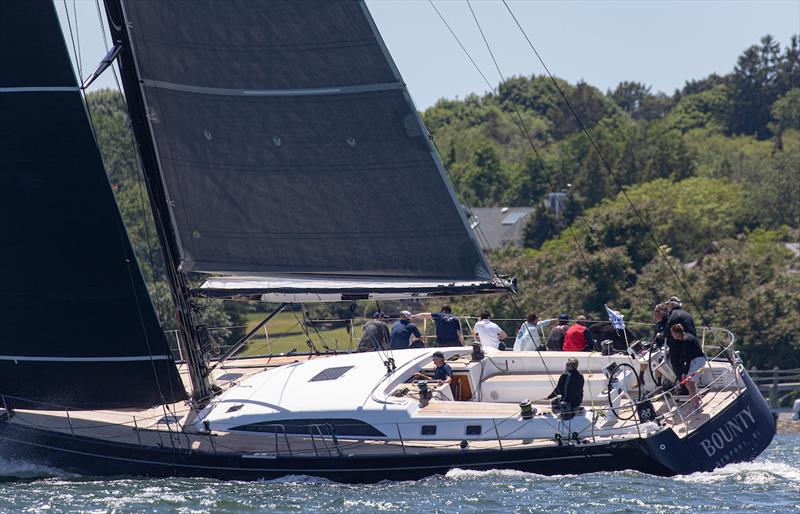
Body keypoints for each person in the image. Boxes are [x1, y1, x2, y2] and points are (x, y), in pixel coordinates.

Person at [671, 323, 706, 409]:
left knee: (690, 383)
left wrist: (684, 373)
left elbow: (688, 358)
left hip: (698, 361)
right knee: (688, 384)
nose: (671, 335)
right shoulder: (687, 336)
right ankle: (697, 399)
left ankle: (696, 406)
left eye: (672, 333)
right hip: (697, 360)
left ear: (676, 334)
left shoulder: (686, 341)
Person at [665, 296, 696, 381]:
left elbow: (668, 330)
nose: (667, 307)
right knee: (688, 366)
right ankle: (690, 386)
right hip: (691, 344)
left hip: (679, 347)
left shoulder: (674, 314)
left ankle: (684, 389)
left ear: (671, 305)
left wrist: (660, 336)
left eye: (668, 305)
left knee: (677, 366)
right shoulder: (687, 314)